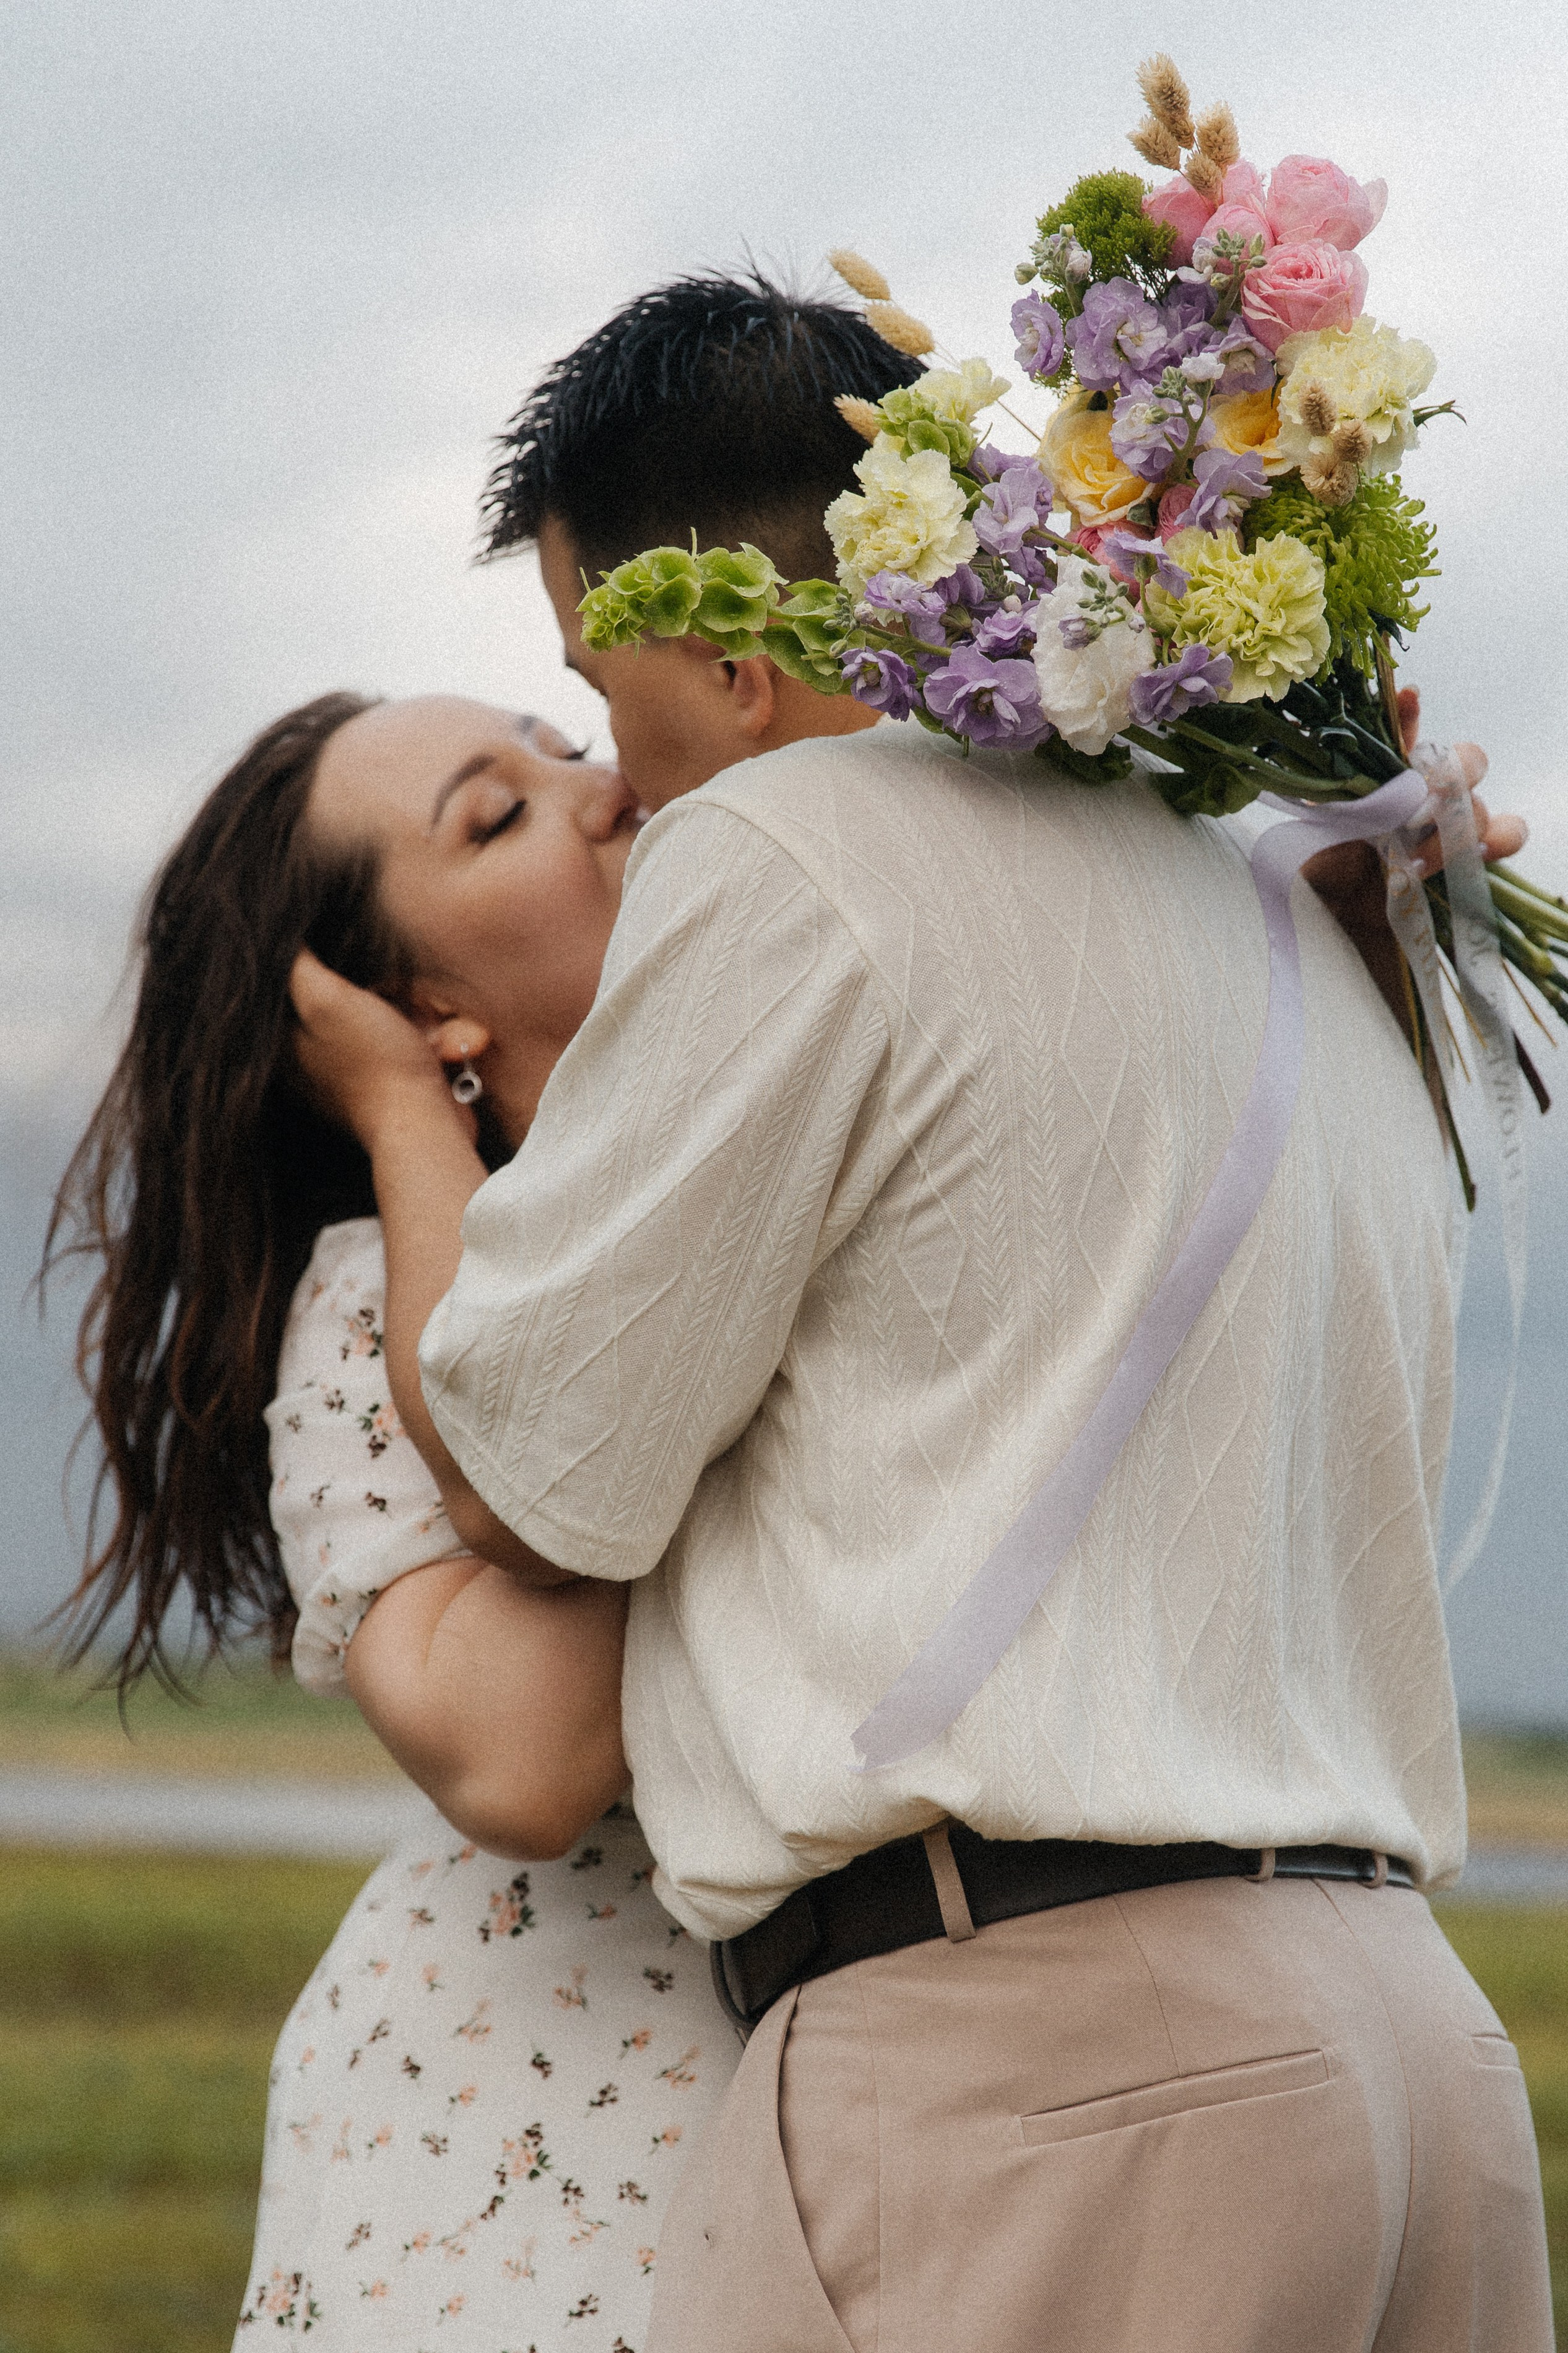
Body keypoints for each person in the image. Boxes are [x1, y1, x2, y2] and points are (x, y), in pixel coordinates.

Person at [291, 274, 1553, 2351]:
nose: (622, 777)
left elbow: (534, 1477)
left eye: (595, 700)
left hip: (1042, 2081)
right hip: (1414, 2047)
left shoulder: (789, 847)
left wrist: (397, 1130)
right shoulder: (1274, 883)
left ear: (712, 638)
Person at [52, 692, 737, 2352]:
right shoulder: (369, 1314)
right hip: (520, 2157)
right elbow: (526, 1757)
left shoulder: (792, 1165)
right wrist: (405, 1125)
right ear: (425, 1006)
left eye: (562, 744)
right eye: (494, 815)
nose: (601, 788)